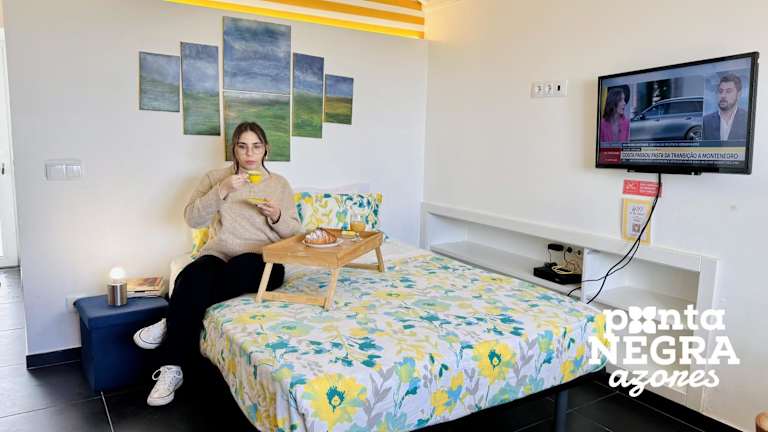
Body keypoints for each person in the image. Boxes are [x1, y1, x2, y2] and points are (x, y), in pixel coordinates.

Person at [133, 121, 302, 406]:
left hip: (266, 260)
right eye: (242, 146)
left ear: (266, 149)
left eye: (256, 146)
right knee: (190, 275)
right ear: (234, 149)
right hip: (221, 254)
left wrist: (276, 216)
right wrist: (221, 191)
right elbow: (192, 219)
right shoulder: (216, 178)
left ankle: (171, 321)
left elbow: (295, 233)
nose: (249, 153)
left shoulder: (279, 184)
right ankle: (172, 369)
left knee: (237, 269)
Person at [702, 73, 748, 141]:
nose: (723, 95)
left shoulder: (747, 118)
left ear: (739, 94)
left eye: (728, 91)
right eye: (720, 91)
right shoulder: (706, 121)